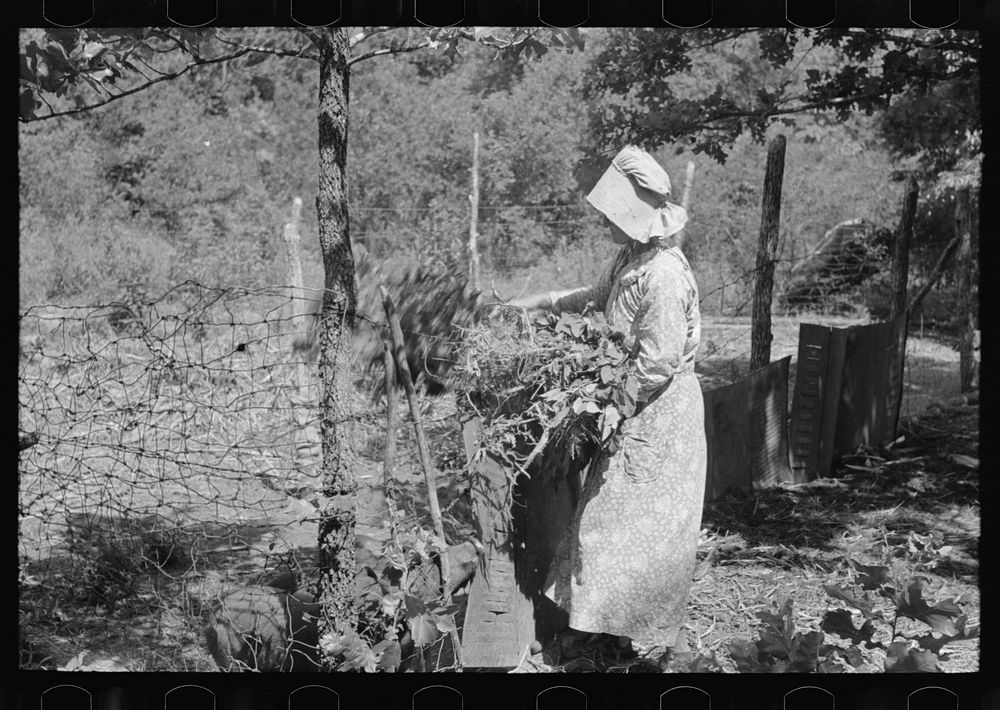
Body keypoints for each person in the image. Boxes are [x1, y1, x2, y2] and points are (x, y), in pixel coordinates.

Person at [504, 145, 707, 656]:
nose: (604, 224)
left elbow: (657, 363)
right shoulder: (631, 257)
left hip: (659, 417)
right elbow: (595, 297)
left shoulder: (662, 274)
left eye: (610, 215)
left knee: (639, 531)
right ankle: (603, 631)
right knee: (608, 526)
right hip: (636, 408)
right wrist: (541, 303)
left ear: (635, 217)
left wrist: (609, 407)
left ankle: (648, 640)